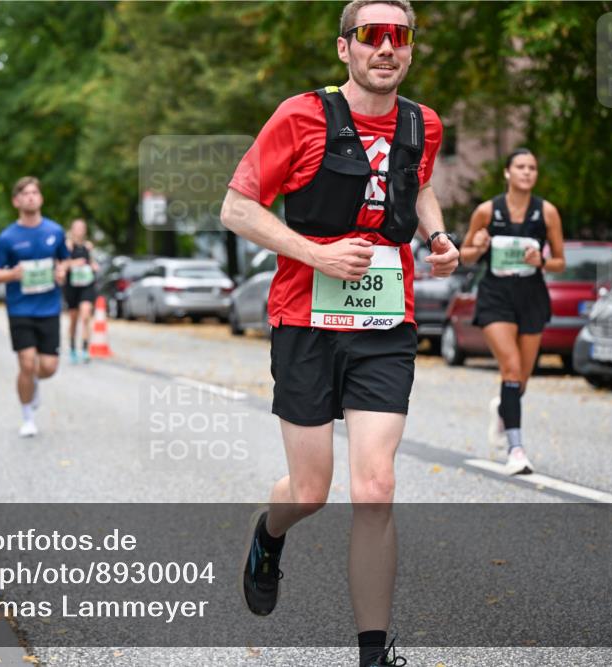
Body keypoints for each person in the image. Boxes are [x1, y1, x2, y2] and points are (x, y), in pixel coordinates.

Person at [220, 2, 458, 665]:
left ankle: (373, 655)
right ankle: (268, 536)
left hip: (385, 321)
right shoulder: (300, 116)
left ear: (410, 48)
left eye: (399, 36)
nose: (386, 47)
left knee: (376, 485)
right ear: (344, 48)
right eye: (371, 36)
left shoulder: (422, 122)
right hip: (305, 319)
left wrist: (437, 236)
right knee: (310, 491)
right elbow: (236, 208)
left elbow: (418, 186)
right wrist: (314, 252)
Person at [458, 148, 565, 475]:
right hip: (496, 296)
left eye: (532, 167)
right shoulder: (487, 211)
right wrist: (479, 245)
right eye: (520, 166)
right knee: (512, 370)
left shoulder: (546, 212)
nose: (527, 172)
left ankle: (503, 409)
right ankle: (516, 450)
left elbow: (560, 261)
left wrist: (542, 261)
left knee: (521, 382)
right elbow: (465, 255)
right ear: (507, 172)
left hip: (531, 295)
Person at [0, 176, 70, 438]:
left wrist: (61, 271)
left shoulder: (55, 232)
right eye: (25, 194)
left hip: (48, 308)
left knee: (48, 367)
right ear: (16, 201)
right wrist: (12, 274)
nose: (31, 197)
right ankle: (27, 417)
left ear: (41, 198)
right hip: (20, 308)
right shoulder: (7, 238)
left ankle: (33, 382)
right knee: (26, 363)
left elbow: (65, 262)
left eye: (35, 192)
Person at [64, 219, 99, 363]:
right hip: (72, 286)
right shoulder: (67, 246)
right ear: (72, 230)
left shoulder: (88, 247)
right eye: (76, 227)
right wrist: (74, 263)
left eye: (82, 227)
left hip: (86, 284)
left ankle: (85, 349)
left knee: (85, 316)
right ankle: (72, 349)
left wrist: (94, 266)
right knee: (74, 319)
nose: (79, 230)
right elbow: (61, 265)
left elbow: (92, 262)